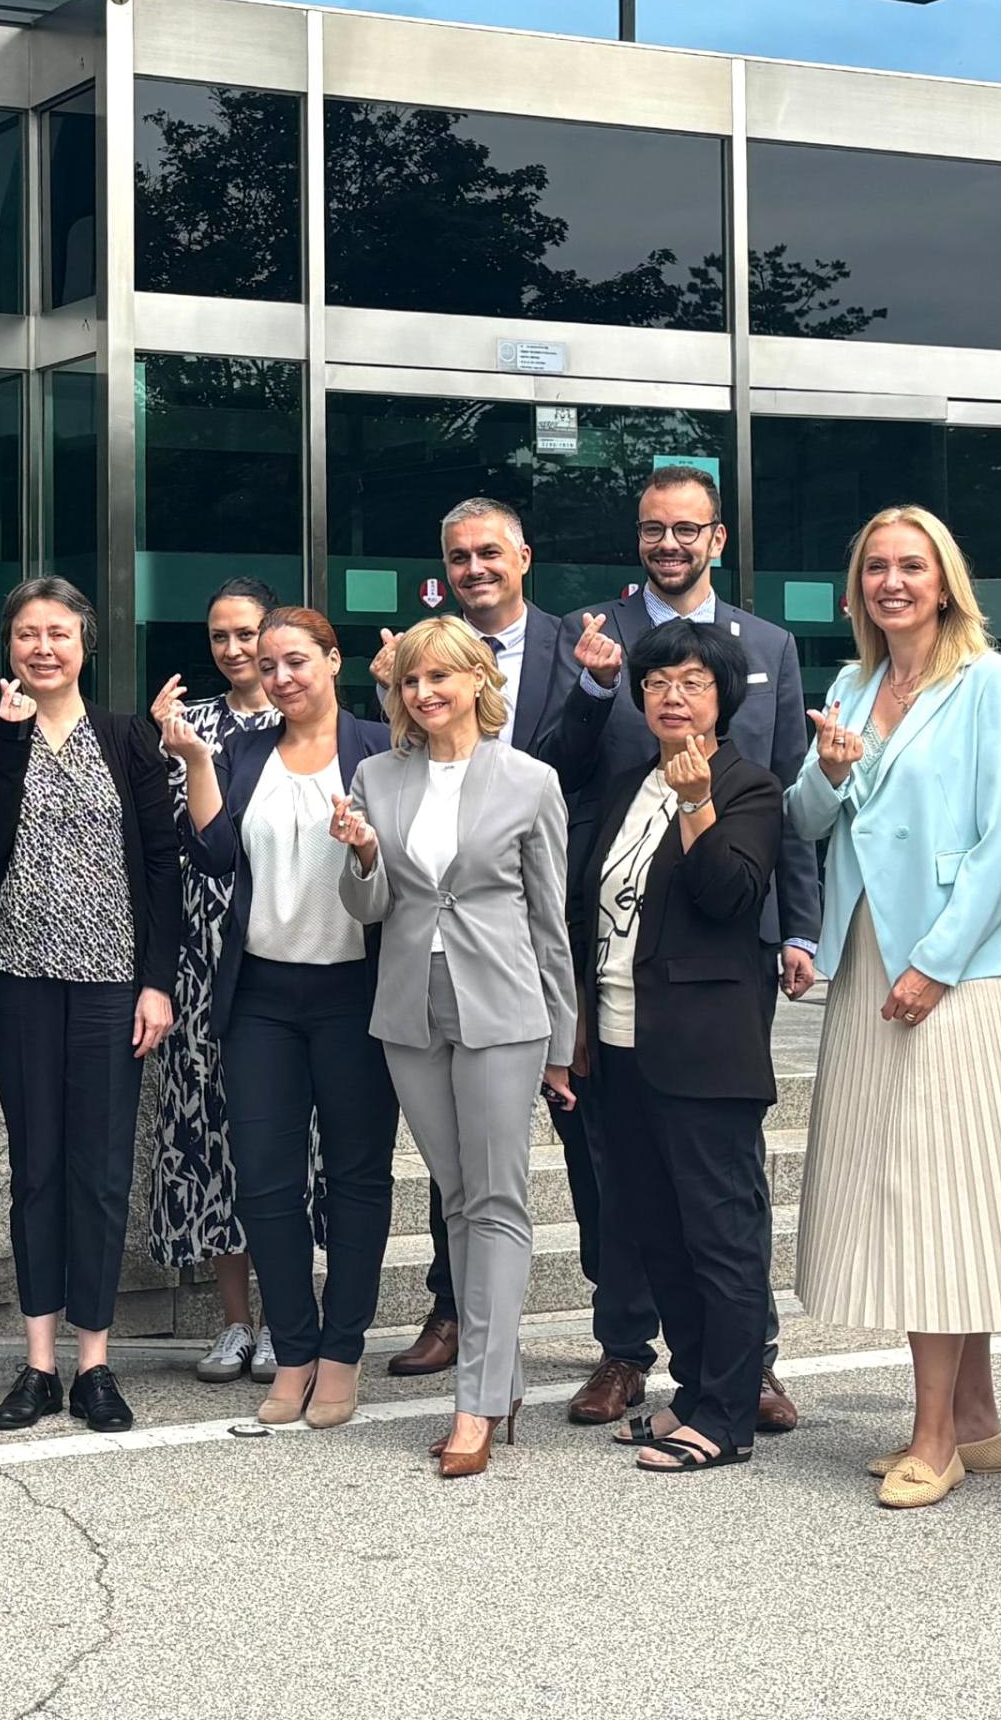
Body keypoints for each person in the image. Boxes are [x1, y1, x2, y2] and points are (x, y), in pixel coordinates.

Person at [785, 507, 1001, 1511]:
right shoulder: (854, 684)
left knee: (944, 1192)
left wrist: (938, 963)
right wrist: (831, 766)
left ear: (946, 583)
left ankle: (934, 1437)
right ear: (857, 590)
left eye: (913, 565)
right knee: (909, 1186)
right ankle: (975, 1417)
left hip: (968, 971)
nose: (894, 581)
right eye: (877, 568)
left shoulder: (994, 684)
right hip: (870, 961)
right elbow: (811, 821)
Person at [558, 466, 814, 1435]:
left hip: (718, 969)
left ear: (718, 537)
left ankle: (742, 1375)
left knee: (720, 1194)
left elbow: (784, 805)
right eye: (652, 529)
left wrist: (800, 925)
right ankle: (639, 1354)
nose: (669, 543)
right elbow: (566, 767)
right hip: (626, 979)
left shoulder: (770, 652)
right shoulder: (595, 634)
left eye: (686, 529)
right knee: (637, 1195)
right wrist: (592, 688)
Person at [379, 498, 629, 1383]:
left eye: (490, 551)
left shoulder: (582, 650)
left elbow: (570, 776)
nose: (475, 566)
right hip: (430, 978)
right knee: (464, 1183)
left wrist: (599, 690)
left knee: (572, 1163)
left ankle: (616, 1344)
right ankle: (461, 1325)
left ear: (524, 556)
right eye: (458, 555)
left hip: (538, 940)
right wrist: (396, 685)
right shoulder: (414, 671)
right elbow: (409, 775)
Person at [331, 617, 576, 1480]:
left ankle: (475, 1403)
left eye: (440, 678)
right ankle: (496, 1379)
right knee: (457, 1196)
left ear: (477, 679)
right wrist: (361, 855)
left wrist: (563, 1039)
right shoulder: (374, 775)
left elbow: (551, 920)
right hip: (409, 1005)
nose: (423, 694)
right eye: (409, 682)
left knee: (499, 1201)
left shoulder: (530, 780)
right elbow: (368, 908)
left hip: (505, 1006)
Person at [0, 578, 184, 1434]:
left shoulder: (127, 737)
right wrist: (12, 744)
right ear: (9, 649)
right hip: (17, 979)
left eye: (57, 632)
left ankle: (95, 1365)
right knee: (36, 1170)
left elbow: (163, 864)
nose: (42, 647)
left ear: (85, 643)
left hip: (111, 986)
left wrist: (156, 981)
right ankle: (38, 1363)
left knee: (98, 1171)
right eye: (25, 635)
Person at [167, 607, 394, 1430]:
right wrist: (196, 760)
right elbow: (217, 854)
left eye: (296, 660)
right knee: (264, 1181)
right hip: (260, 994)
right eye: (268, 666)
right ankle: (293, 1352)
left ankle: (342, 1352)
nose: (280, 677)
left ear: (334, 662)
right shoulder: (245, 749)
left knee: (358, 1179)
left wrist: (366, 846)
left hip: (355, 996)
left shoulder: (378, 748)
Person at [569, 618, 785, 1476]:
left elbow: (729, 896)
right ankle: (693, 1393)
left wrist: (698, 804)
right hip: (619, 1046)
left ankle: (729, 1415)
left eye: (693, 682)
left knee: (720, 1237)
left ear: (723, 696)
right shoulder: (628, 783)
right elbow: (592, 913)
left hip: (704, 1052)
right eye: (658, 682)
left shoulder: (747, 786)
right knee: (655, 1232)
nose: (672, 696)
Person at [156, 580, 286, 1385]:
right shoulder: (189, 726)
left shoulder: (305, 716)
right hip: (199, 965)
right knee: (211, 1140)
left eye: (248, 635)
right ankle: (234, 1321)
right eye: (220, 637)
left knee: (287, 1142)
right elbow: (162, 849)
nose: (234, 650)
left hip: (282, 954)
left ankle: (285, 1319)